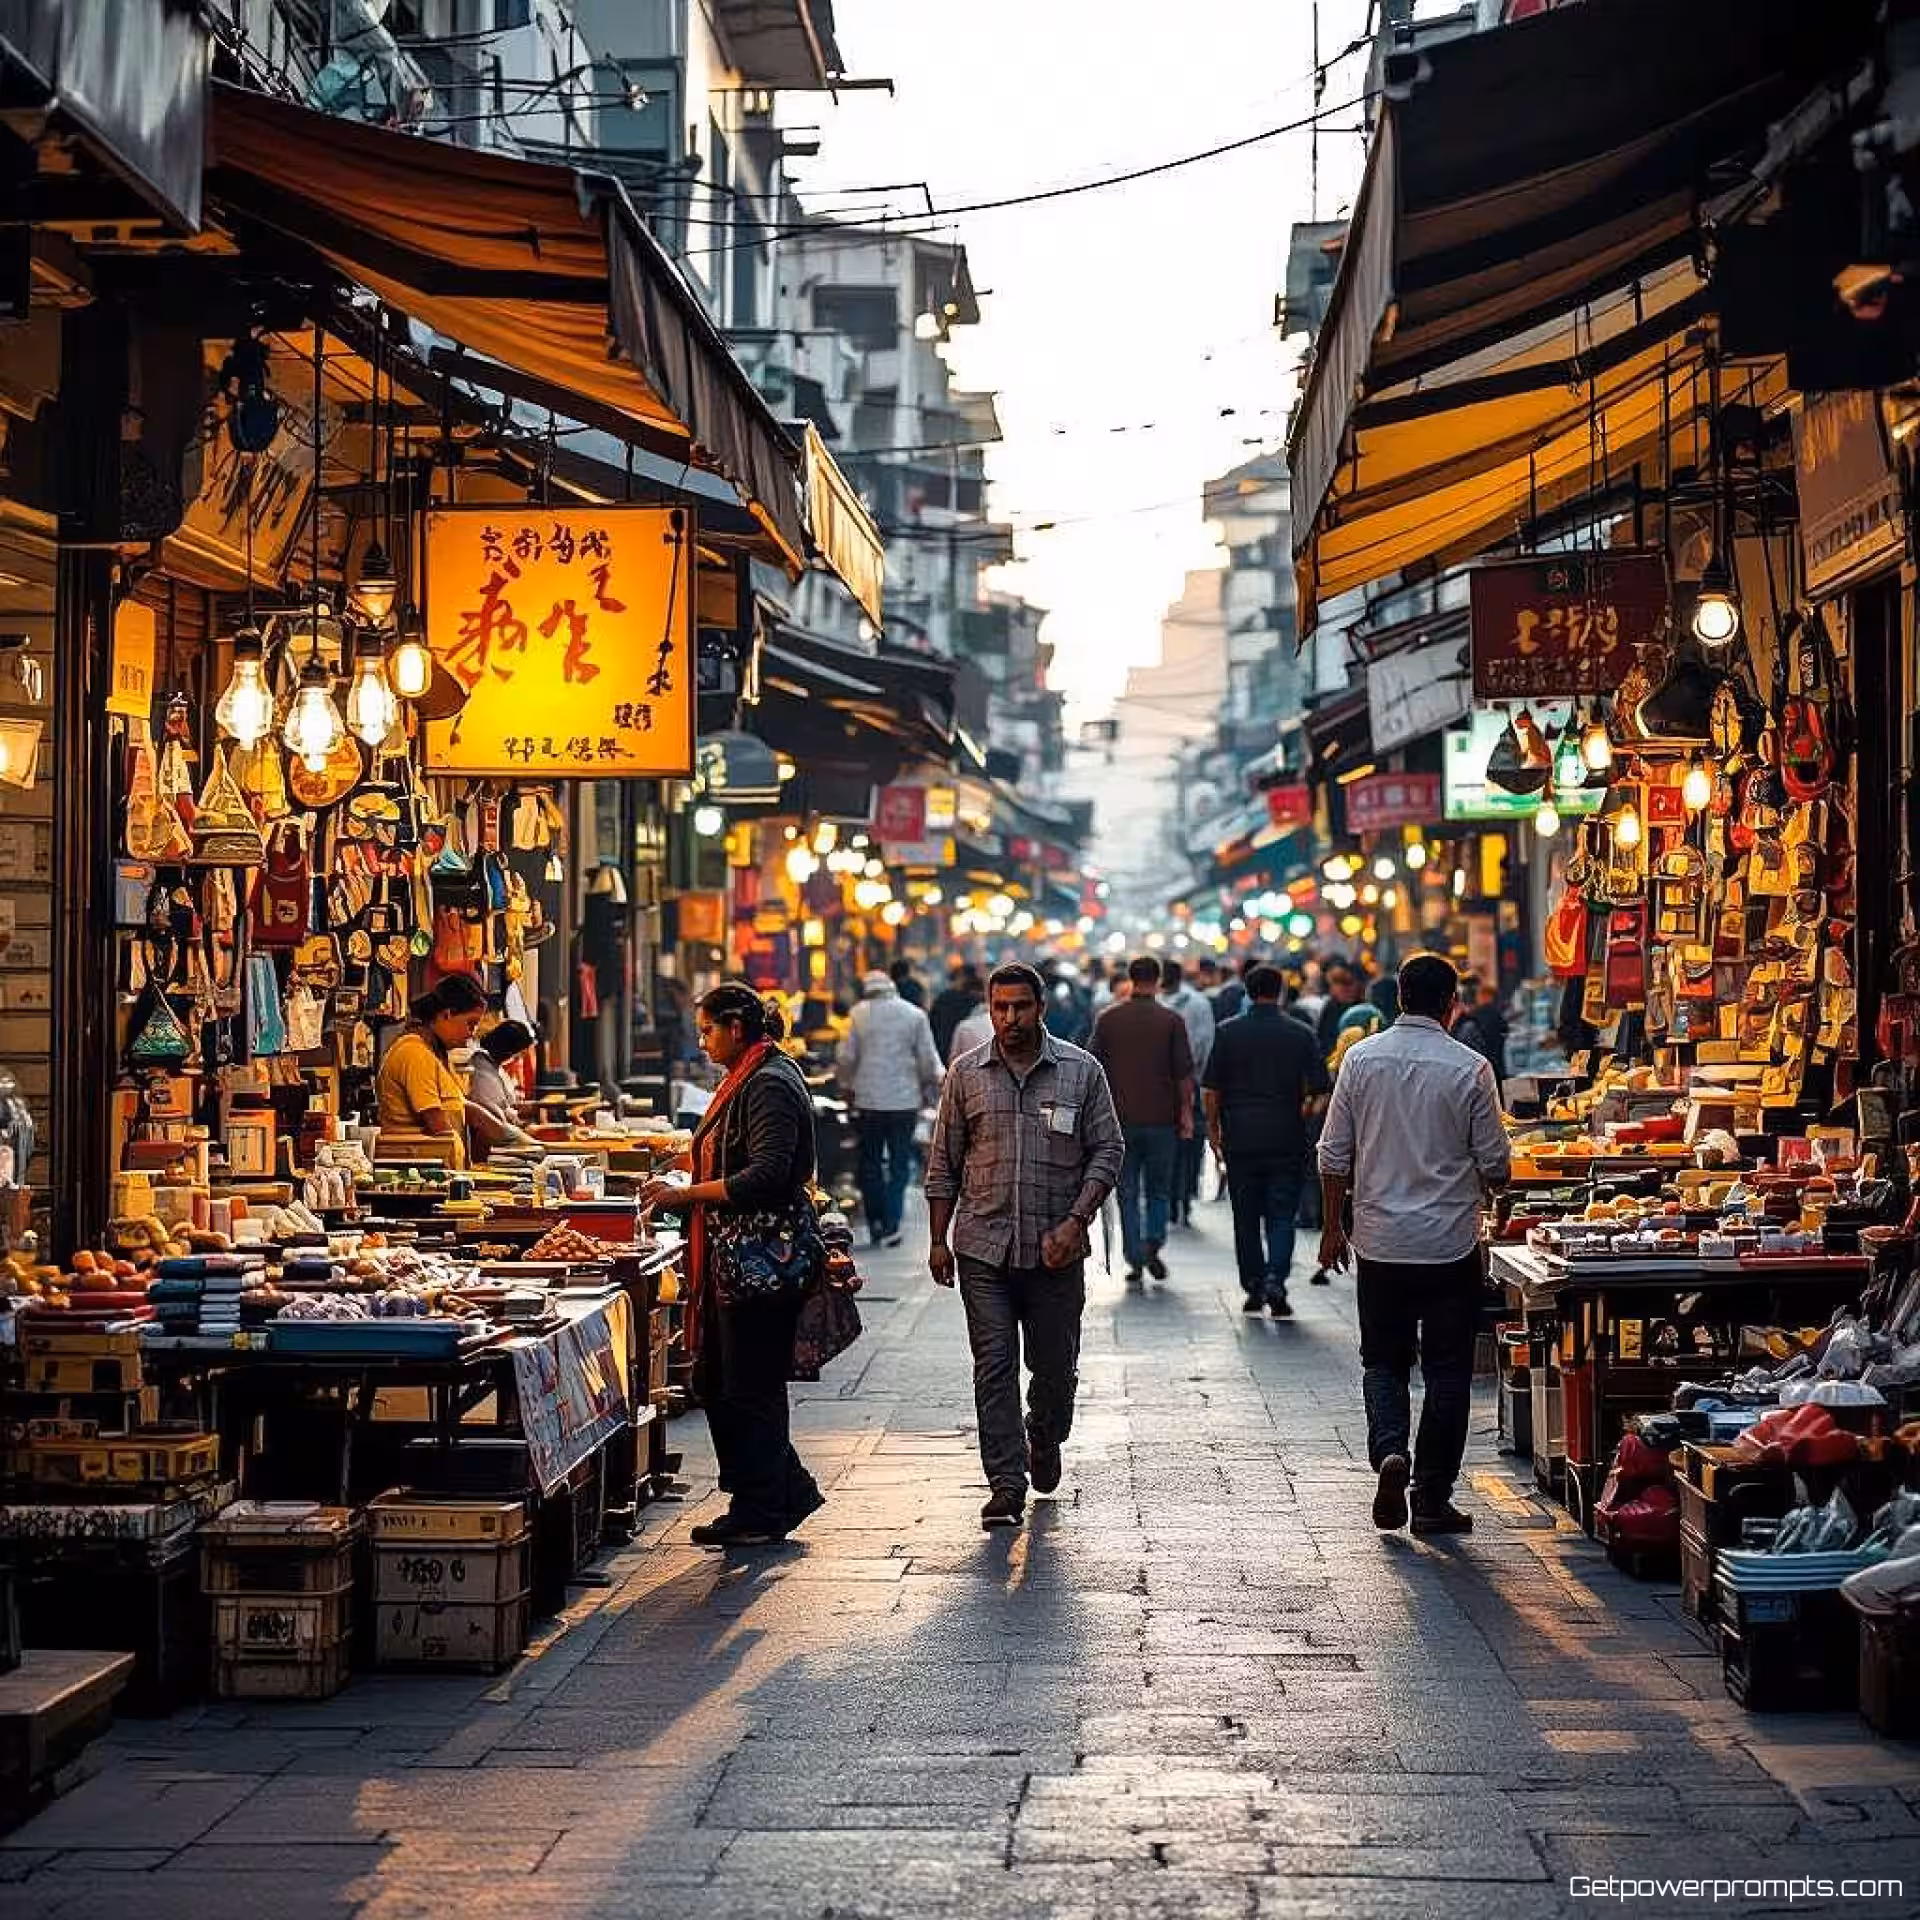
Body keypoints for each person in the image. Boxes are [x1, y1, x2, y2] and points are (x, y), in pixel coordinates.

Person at [1316, 952, 1510, 1538]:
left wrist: (1332, 1229)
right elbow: (1497, 1164)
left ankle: (1390, 1452)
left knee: (1383, 1361)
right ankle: (1430, 1499)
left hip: (1378, 1243)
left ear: (1398, 997)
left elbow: (1333, 1155)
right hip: (1449, 1246)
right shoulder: (1471, 1068)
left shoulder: (1360, 1060)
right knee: (1448, 1373)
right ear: (1453, 1004)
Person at [925, 961, 1124, 1528]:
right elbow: (943, 1163)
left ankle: (1045, 1433)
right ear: (989, 1010)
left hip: (1054, 1250)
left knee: (1055, 1367)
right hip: (983, 1246)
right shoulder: (965, 1074)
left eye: (1020, 1006)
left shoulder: (1081, 1072)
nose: (1009, 1018)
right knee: (993, 1366)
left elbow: (1108, 1151)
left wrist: (1076, 1220)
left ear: (1042, 1008)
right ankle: (1005, 1484)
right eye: (1000, 1008)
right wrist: (938, 1240)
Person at [639, 985, 824, 1548]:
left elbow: (767, 1175)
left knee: (748, 1384)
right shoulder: (750, 1074)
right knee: (720, 1380)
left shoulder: (768, 1082)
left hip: (762, 1259)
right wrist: (688, 1159)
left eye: (708, 1030)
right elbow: (738, 1151)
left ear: (737, 1027)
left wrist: (690, 1193)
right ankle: (774, 1494)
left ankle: (764, 1506)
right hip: (737, 1260)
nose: (701, 1041)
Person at [1203, 964, 1331, 1318]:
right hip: (1286, 1136)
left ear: (1247, 990)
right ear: (1281, 991)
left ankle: (1254, 1285)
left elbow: (1211, 1089)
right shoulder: (1300, 1033)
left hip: (1240, 1138)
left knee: (1245, 1218)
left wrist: (1214, 1132)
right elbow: (1321, 1090)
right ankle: (1276, 1277)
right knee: (1281, 1215)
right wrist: (1303, 1114)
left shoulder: (1228, 1032)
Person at [1089, 955, 1195, 1283]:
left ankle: (1134, 1255)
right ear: (1159, 979)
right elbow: (1184, 1074)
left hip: (1119, 1120)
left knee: (1127, 1191)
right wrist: (1186, 1114)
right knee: (1159, 1189)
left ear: (1130, 978)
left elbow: (1091, 1067)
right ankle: (1154, 1242)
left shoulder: (1108, 1020)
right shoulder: (1171, 1020)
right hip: (1162, 1119)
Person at [837, 969, 942, 1248]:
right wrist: (931, 1085)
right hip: (904, 1101)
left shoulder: (858, 1013)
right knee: (899, 1163)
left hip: (868, 1100)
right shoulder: (914, 1014)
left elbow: (846, 1057)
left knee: (869, 1162)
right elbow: (927, 1060)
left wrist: (846, 1084)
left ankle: (875, 1222)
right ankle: (893, 1222)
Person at [376, 974, 490, 1167]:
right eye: (470, 1023)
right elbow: (439, 1128)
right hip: (419, 1173)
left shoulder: (436, 1053)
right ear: (447, 1014)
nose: (471, 1033)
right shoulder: (415, 1053)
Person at [1160, 958, 1215, 1227]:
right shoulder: (1159, 1003)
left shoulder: (1196, 1003)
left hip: (1186, 1084)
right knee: (1177, 1146)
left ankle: (1182, 1196)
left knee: (1189, 1146)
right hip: (1171, 1086)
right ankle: (1175, 1198)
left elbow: (1205, 1043)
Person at [465, 1019, 537, 1157]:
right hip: (492, 1145)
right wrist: (519, 1133)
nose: (518, 1059)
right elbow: (493, 1116)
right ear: (509, 1051)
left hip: (506, 1134)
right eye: (519, 1054)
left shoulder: (494, 1067)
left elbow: (507, 1107)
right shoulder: (481, 1069)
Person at [1455, 978, 1511, 1087]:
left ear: (1486, 996)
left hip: (1484, 1071)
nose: (1477, 997)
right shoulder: (1495, 1014)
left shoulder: (1476, 1017)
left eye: (1479, 994)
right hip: (1495, 1069)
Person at [929, 965, 984, 1065]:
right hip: (968, 1056)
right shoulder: (976, 1003)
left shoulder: (942, 999)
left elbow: (932, 1027)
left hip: (943, 1052)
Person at [1314, 960, 1366, 1059]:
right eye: (1339, 984)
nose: (1345, 989)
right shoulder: (1330, 1007)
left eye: (1348, 984)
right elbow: (1323, 1039)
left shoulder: (1363, 1009)